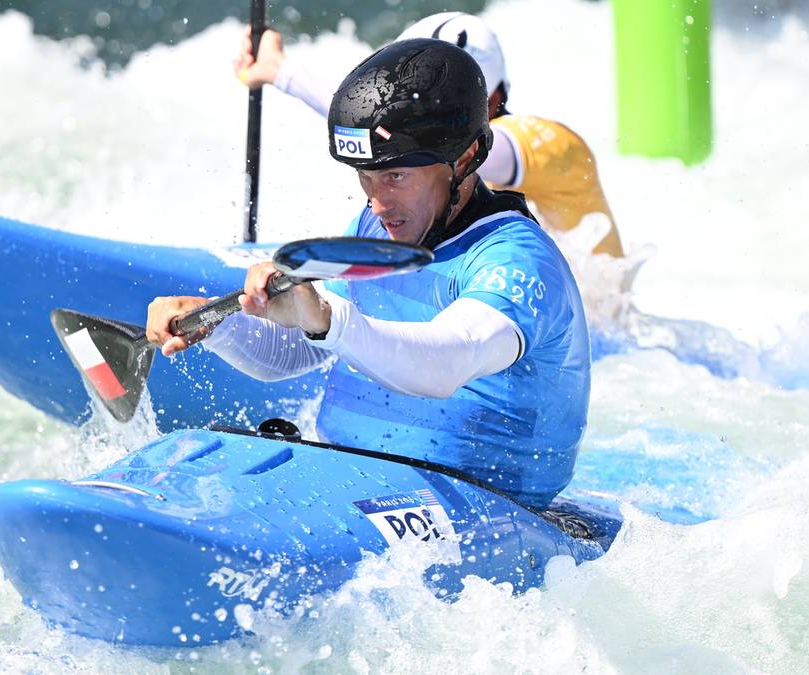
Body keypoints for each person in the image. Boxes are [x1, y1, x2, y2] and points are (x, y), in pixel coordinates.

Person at [148, 39, 590, 509]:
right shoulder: (375, 227)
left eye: (396, 176)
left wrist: (326, 317)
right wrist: (216, 325)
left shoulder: (517, 259)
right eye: (366, 177)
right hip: (357, 478)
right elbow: (300, 353)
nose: (378, 204)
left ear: (464, 158)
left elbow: (448, 362)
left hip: (489, 510)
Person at [234, 12, 625, 258]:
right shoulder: (439, 163)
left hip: (597, 328)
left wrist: (284, 73)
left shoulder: (546, 144)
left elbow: (398, 133)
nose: (418, 115)